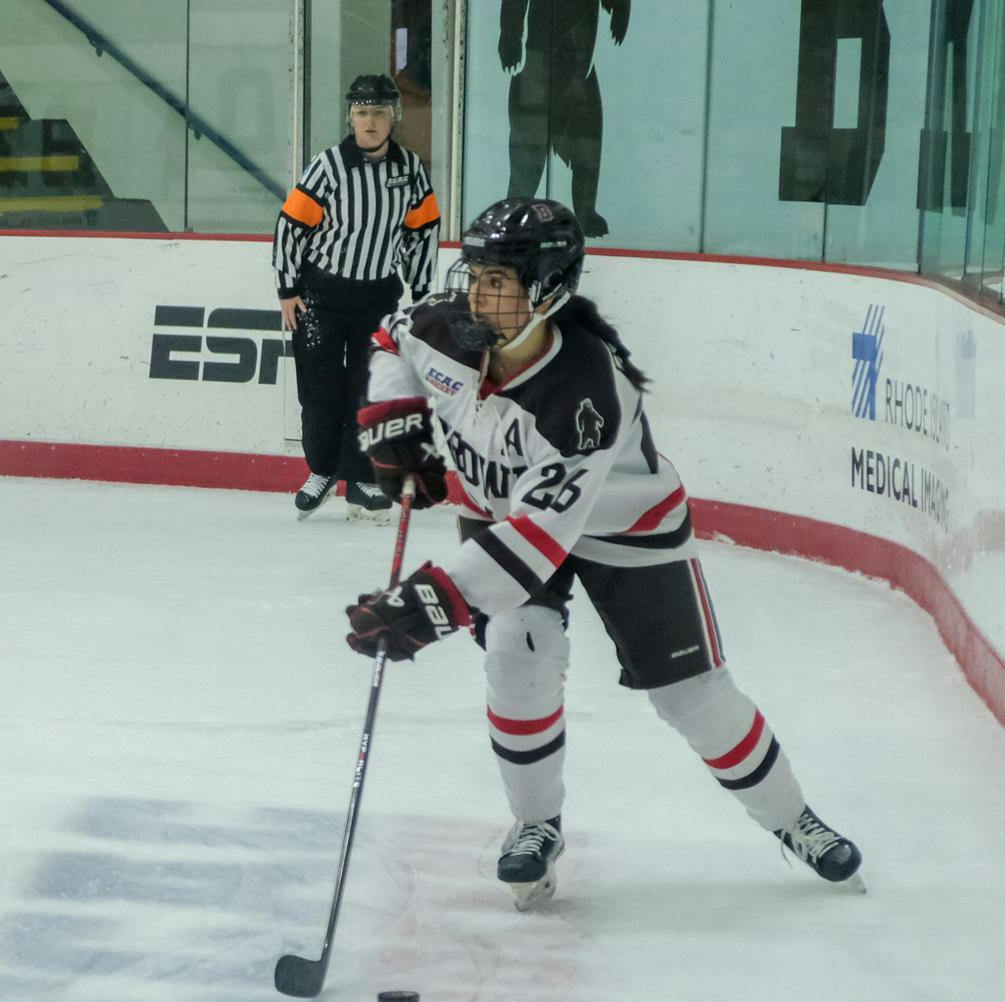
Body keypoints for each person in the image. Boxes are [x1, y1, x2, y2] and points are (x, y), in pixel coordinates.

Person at [342, 197, 864, 908]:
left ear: (549, 291)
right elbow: (388, 339)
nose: (479, 294)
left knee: (692, 696)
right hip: (505, 514)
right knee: (516, 656)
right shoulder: (445, 325)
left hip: (624, 527)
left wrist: (426, 606)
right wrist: (392, 416)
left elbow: (537, 542)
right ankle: (535, 827)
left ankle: (794, 819)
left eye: (502, 281)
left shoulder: (586, 394)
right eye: (477, 275)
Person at [272, 73, 442, 523]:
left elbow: (423, 234)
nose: (370, 120)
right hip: (320, 298)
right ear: (350, 115)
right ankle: (323, 471)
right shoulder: (327, 165)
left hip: (378, 299)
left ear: (394, 116)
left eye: (379, 111)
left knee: (366, 393)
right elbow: (291, 225)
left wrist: (421, 295)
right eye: (362, 111)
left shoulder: (410, 170)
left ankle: (362, 478)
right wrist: (288, 288)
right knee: (320, 391)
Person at [501, 0, 628, 237]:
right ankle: (516, 209)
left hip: (579, 63)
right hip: (539, 59)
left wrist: (621, 8)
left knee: (587, 142)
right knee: (528, 148)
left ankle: (585, 211)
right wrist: (510, 35)